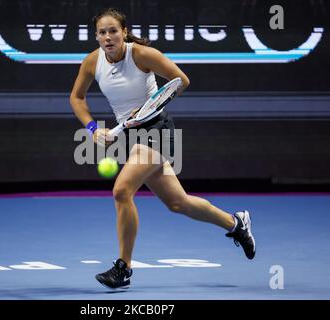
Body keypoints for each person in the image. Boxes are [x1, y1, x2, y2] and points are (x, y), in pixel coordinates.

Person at [69, 8, 256, 289]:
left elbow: (181, 81)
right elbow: (76, 97)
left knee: (121, 190)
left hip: (157, 129)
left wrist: (144, 110)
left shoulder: (142, 55)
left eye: (113, 31)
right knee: (177, 202)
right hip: (131, 135)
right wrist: (93, 128)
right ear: (96, 36)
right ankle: (235, 223)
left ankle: (123, 269)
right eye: (102, 32)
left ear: (124, 32)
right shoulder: (92, 62)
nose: (108, 37)